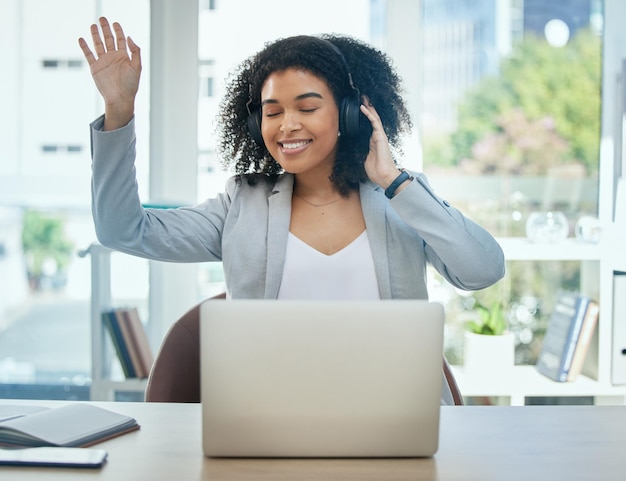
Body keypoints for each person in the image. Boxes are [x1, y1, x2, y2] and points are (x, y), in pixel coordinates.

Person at [79, 18, 505, 404]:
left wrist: (394, 180)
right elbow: (123, 229)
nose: (286, 125)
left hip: (395, 416)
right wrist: (120, 112)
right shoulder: (241, 205)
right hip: (271, 416)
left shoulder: (401, 199)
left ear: (349, 115)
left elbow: (482, 269)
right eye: (272, 112)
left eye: (307, 107)